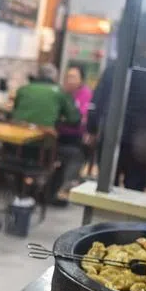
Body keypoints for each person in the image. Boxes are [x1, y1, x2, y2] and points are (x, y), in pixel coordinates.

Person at [89, 37, 146, 191]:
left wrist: (91, 128)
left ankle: (105, 213)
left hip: (111, 132)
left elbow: (97, 101)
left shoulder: (114, 68)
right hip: (140, 138)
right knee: (134, 186)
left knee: (106, 183)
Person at [54, 65, 93, 200]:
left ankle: (66, 187)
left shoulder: (85, 93)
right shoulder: (61, 92)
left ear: (81, 80)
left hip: (75, 136)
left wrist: (65, 119)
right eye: (67, 77)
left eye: (73, 77)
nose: (69, 80)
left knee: (79, 152)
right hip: (57, 135)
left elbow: (81, 118)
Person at [10, 63, 81, 129]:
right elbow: (74, 119)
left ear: (38, 75)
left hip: (18, 134)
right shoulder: (61, 92)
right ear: (55, 78)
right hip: (44, 138)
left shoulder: (23, 89)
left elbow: (15, 110)